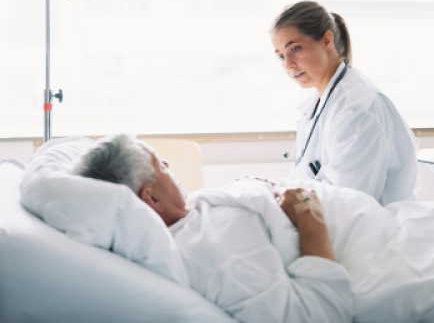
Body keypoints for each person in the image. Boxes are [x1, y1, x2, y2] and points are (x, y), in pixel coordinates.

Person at [74, 134, 353, 323]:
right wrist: (308, 213)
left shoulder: (189, 212)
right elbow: (319, 314)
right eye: (161, 164)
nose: (169, 165)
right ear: (152, 198)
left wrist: (248, 188)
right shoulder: (210, 251)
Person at [272, 1, 419, 206]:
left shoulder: (356, 108)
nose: (288, 64)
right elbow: (308, 178)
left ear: (326, 41)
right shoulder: (323, 102)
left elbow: (348, 202)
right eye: (280, 56)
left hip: (369, 226)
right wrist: (273, 190)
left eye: (295, 49)